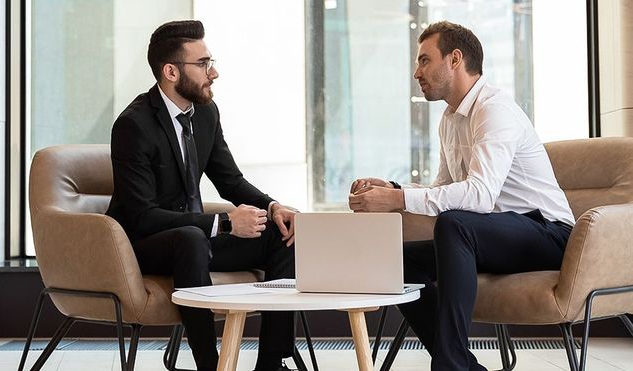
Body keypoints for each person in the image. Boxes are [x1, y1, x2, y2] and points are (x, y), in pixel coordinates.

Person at [348, 21, 575, 371]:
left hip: (549, 233)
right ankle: (462, 365)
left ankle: (449, 366)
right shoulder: (449, 119)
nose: (416, 72)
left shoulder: (493, 110)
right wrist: (395, 190)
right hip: (492, 235)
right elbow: (445, 190)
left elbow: (480, 196)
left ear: (455, 59)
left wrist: (398, 202)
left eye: (424, 60)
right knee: (395, 261)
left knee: (456, 224)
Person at [106, 20, 298, 371]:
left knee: (281, 236)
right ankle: (211, 366)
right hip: (146, 244)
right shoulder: (133, 126)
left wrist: (273, 207)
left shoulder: (205, 113)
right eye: (204, 64)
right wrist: (224, 223)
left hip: (197, 239)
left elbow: (230, 181)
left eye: (212, 61)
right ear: (171, 72)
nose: (215, 72)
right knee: (191, 239)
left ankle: (272, 362)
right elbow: (141, 216)